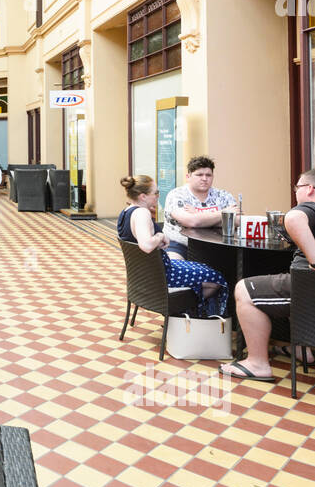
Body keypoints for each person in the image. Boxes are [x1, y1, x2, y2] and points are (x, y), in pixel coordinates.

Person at [227, 170, 315, 382]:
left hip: (309, 287)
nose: (296, 192)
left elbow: (294, 218)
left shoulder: (308, 207)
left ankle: (257, 363)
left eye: (297, 188)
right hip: (305, 287)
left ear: (310, 189)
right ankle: (305, 352)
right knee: (283, 286)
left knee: (244, 289)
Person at [119, 174, 228, 317]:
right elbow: (146, 245)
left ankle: (186, 312)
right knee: (216, 278)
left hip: (146, 274)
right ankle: (183, 313)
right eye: (156, 193)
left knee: (203, 269)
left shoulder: (126, 212)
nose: (158, 196)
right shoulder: (142, 213)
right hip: (163, 274)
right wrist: (160, 236)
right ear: (142, 196)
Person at [162, 156, 237, 255]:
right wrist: (223, 213)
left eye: (208, 175)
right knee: (175, 265)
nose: (204, 179)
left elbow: (237, 220)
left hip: (217, 246)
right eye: (199, 175)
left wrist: (198, 215)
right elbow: (191, 221)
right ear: (188, 177)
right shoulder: (176, 195)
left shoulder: (224, 195)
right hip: (180, 245)